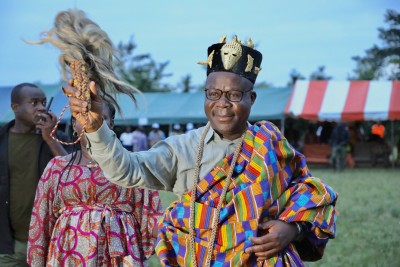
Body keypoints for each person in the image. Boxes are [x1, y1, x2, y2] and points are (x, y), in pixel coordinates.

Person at [65, 35, 338, 266]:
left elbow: (311, 195)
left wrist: (293, 229)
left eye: (233, 95)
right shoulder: (182, 148)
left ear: (251, 98)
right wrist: (96, 129)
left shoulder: (270, 143)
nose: (223, 104)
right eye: (213, 94)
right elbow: (127, 170)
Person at [27, 102, 164, 266]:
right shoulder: (56, 168)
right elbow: (41, 221)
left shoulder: (132, 164)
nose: (90, 123)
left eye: (100, 118)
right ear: (73, 124)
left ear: (111, 124)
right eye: (82, 117)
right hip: (68, 254)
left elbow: (152, 214)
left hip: (121, 257)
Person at [0, 83, 69, 266]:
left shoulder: (57, 139)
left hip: (50, 241)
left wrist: (50, 138)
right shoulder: (2, 139)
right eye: (34, 102)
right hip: (8, 244)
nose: (41, 108)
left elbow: (75, 175)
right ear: (15, 107)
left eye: (44, 102)